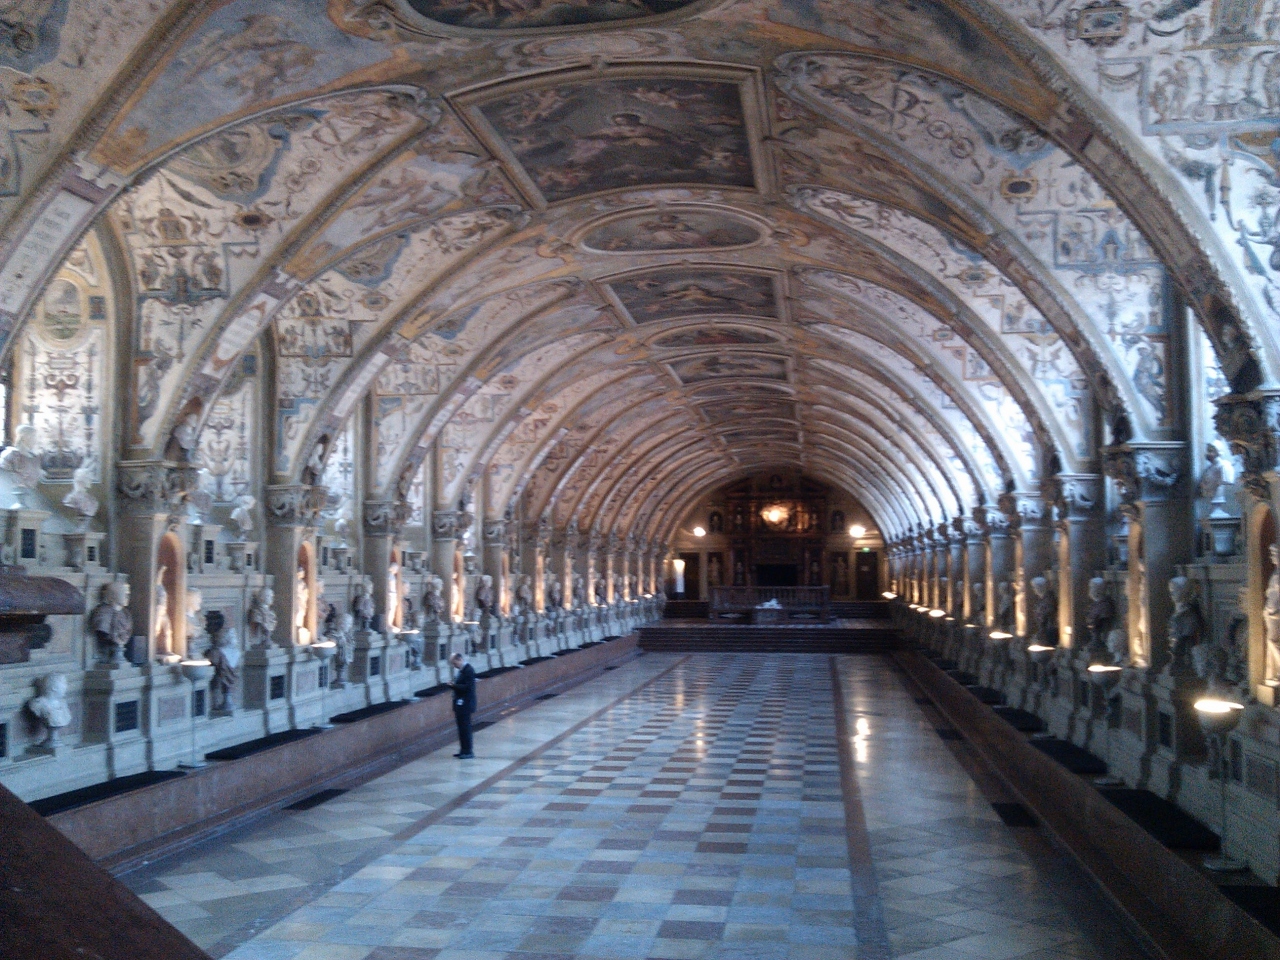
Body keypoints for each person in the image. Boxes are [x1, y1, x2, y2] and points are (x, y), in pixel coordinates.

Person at [449, 652, 476, 759]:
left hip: (466, 704)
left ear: (459, 659)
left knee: (465, 728)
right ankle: (463, 750)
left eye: (454, 663)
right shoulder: (462, 670)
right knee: (461, 729)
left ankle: (468, 751)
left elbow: (468, 687)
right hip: (460, 704)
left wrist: (454, 686)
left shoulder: (469, 670)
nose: (454, 666)